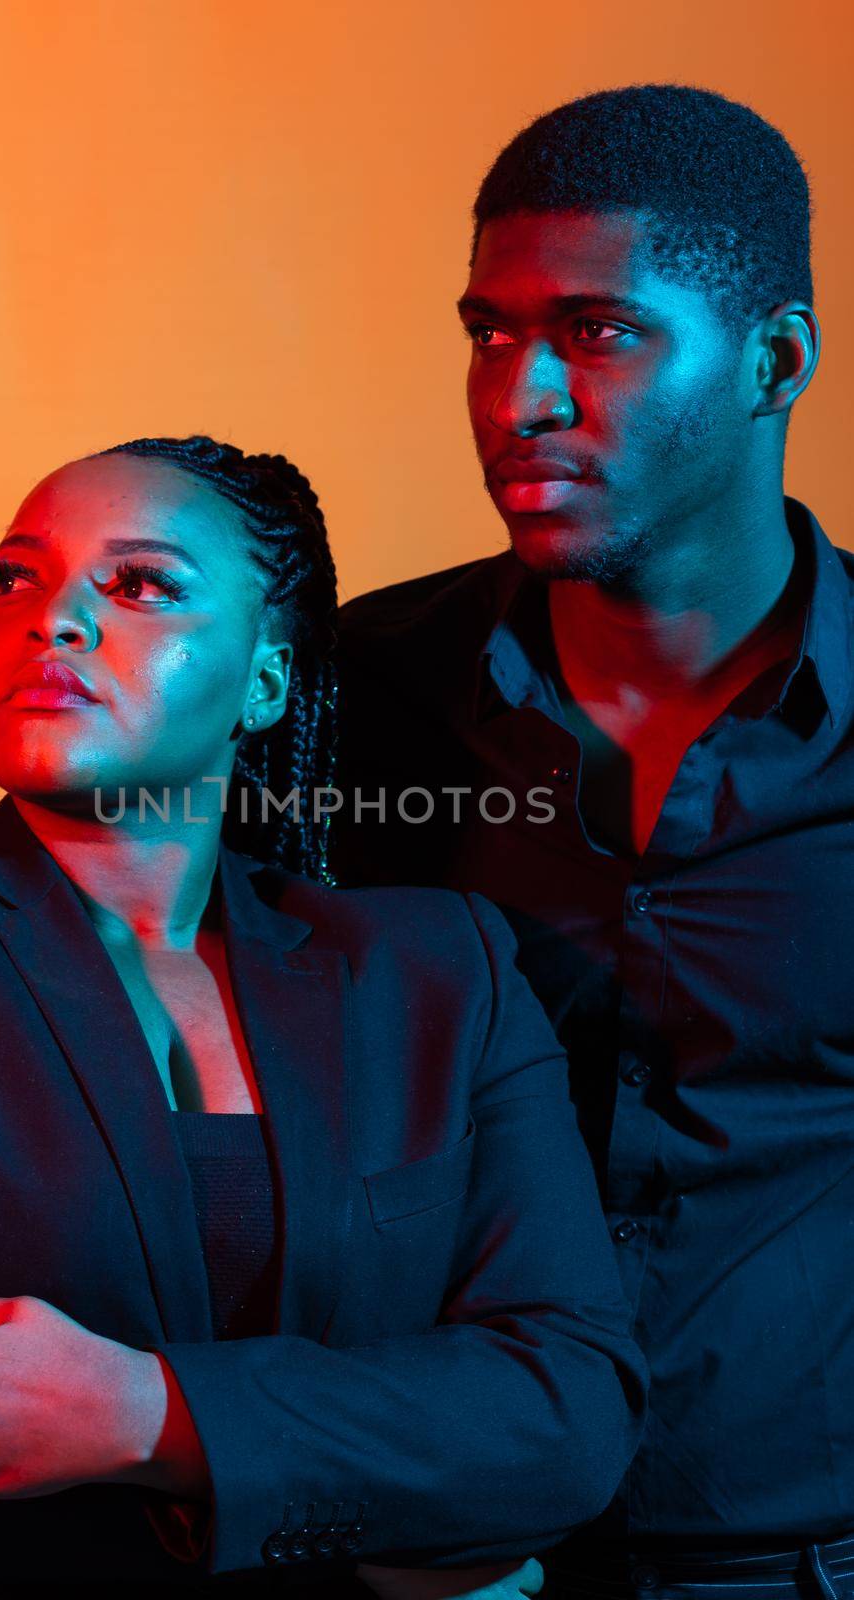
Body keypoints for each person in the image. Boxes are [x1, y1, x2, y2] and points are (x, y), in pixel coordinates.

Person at [0, 436, 646, 1599]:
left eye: (139, 584)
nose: (53, 621)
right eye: (13, 578)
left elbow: (570, 1412)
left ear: (264, 681)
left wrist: (140, 1415)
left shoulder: (438, 967)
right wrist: (416, 1540)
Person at [334, 82, 854, 1600]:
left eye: (596, 332)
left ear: (770, 362)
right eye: (486, 333)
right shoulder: (353, 693)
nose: (518, 399)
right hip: (432, 1548)